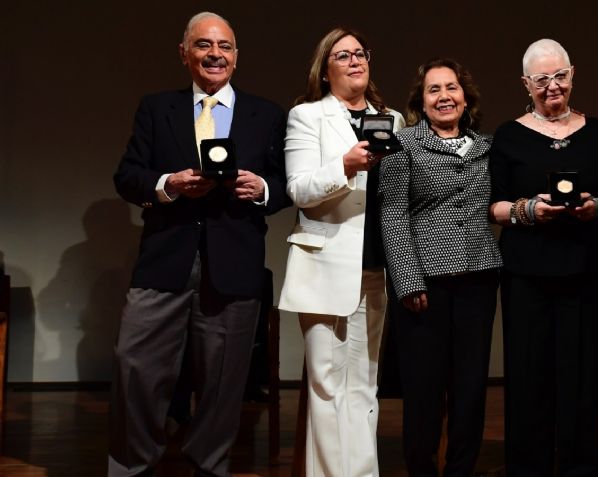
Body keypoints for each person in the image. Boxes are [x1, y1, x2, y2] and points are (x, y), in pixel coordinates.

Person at [109, 11, 288, 477]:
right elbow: (128, 176)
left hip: (234, 262)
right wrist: (170, 184)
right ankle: (132, 466)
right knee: (136, 369)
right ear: (184, 54)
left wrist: (261, 189)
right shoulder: (156, 107)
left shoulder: (266, 114)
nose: (215, 54)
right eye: (204, 45)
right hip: (165, 258)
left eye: (224, 46)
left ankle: (209, 465)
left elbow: (287, 183)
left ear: (236, 57)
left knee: (224, 380)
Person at [488, 39, 598, 476]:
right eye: (541, 80)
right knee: (529, 376)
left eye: (559, 76)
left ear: (573, 75)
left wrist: (595, 207)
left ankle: (583, 468)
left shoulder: (597, 130)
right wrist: (530, 210)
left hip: (589, 268)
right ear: (526, 84)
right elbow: (495, 206)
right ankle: (529, 468)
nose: (552, 87)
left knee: (586, 376)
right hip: (528, 271)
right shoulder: (509, 135)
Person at [278, 28, 404, 477]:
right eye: (342, 55)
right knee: (327, 387)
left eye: (360, 53)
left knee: (364, 387)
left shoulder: (391, 120)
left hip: (373, 270)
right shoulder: (307, 116)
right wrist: (344, 166)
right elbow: (299, 189)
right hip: (324, 266)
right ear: (325, 69)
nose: (354, 61)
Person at [379, 58, 502, 476]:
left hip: (479, 279)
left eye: (452, 87)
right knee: (424, 390)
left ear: (465, 98)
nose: (444, 96)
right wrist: (408, 281)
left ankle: (462, 469)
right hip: (424, 285)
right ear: (421, 101)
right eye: (434, 89)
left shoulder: (486, 146)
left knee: (469, 388)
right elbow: (393, 214)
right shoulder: (402, 144)